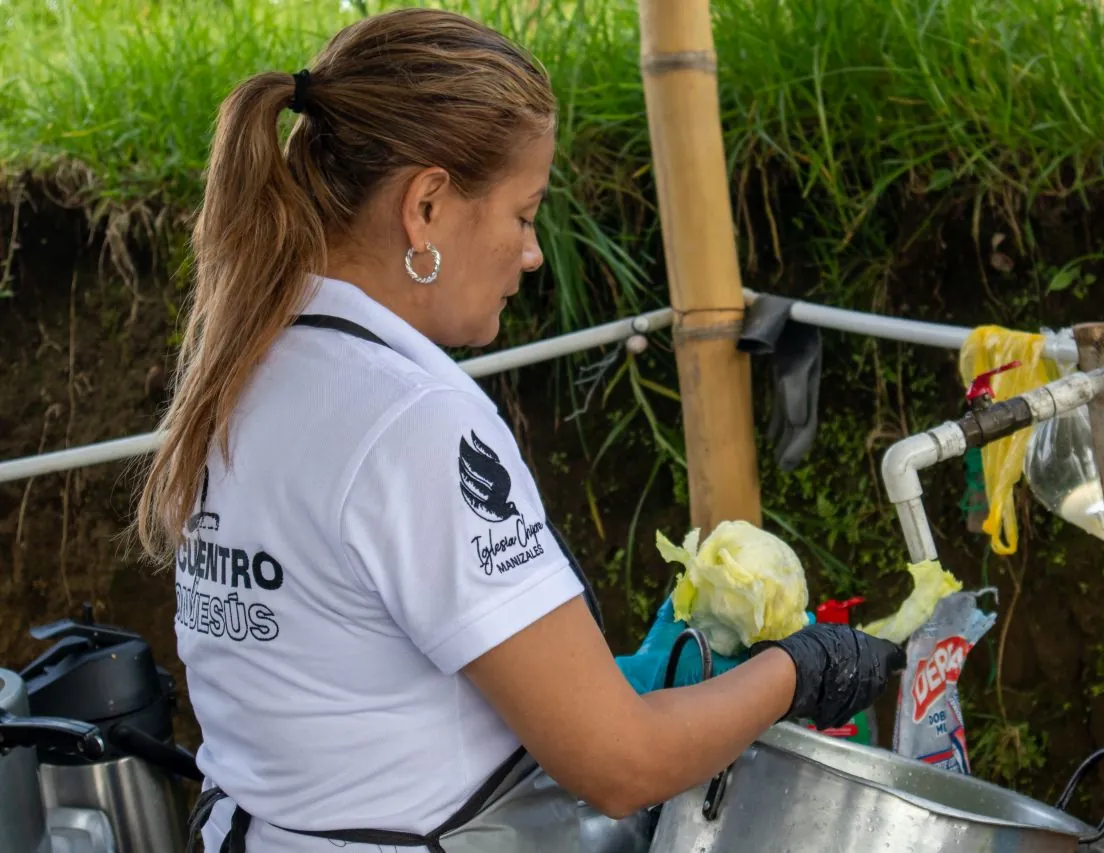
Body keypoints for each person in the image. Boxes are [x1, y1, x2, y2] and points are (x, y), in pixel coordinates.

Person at [136, 8, 904, 853]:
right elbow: (619, 763)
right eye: (523, 213)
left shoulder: (248, 364)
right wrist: (797, 670)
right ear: (425, 206)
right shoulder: (412, 421)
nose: (532, 253)